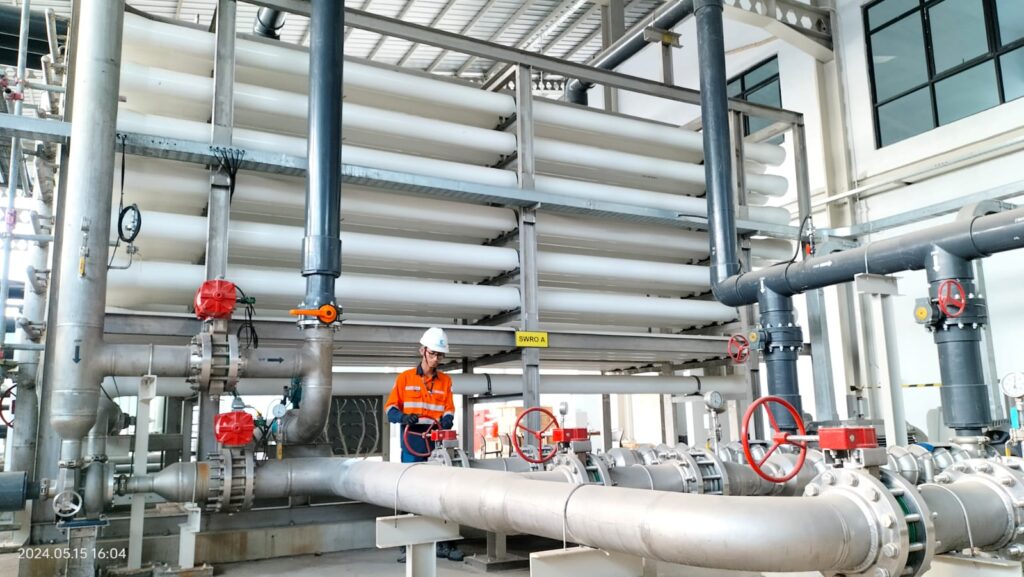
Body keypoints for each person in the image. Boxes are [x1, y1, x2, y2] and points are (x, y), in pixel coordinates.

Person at [386, 327, 464, 562]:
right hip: (411, 439)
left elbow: (449, 408)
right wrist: (403, 417)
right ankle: (408, 545)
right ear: (422, 351)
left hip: (435, 440)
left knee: (440, 490)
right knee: (410, 490)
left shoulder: (445, 381)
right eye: (433, 353)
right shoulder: (405, 378)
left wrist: (447, 419)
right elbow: (390, 409)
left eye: (440, 355)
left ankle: (444, 542)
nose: (436, 359)